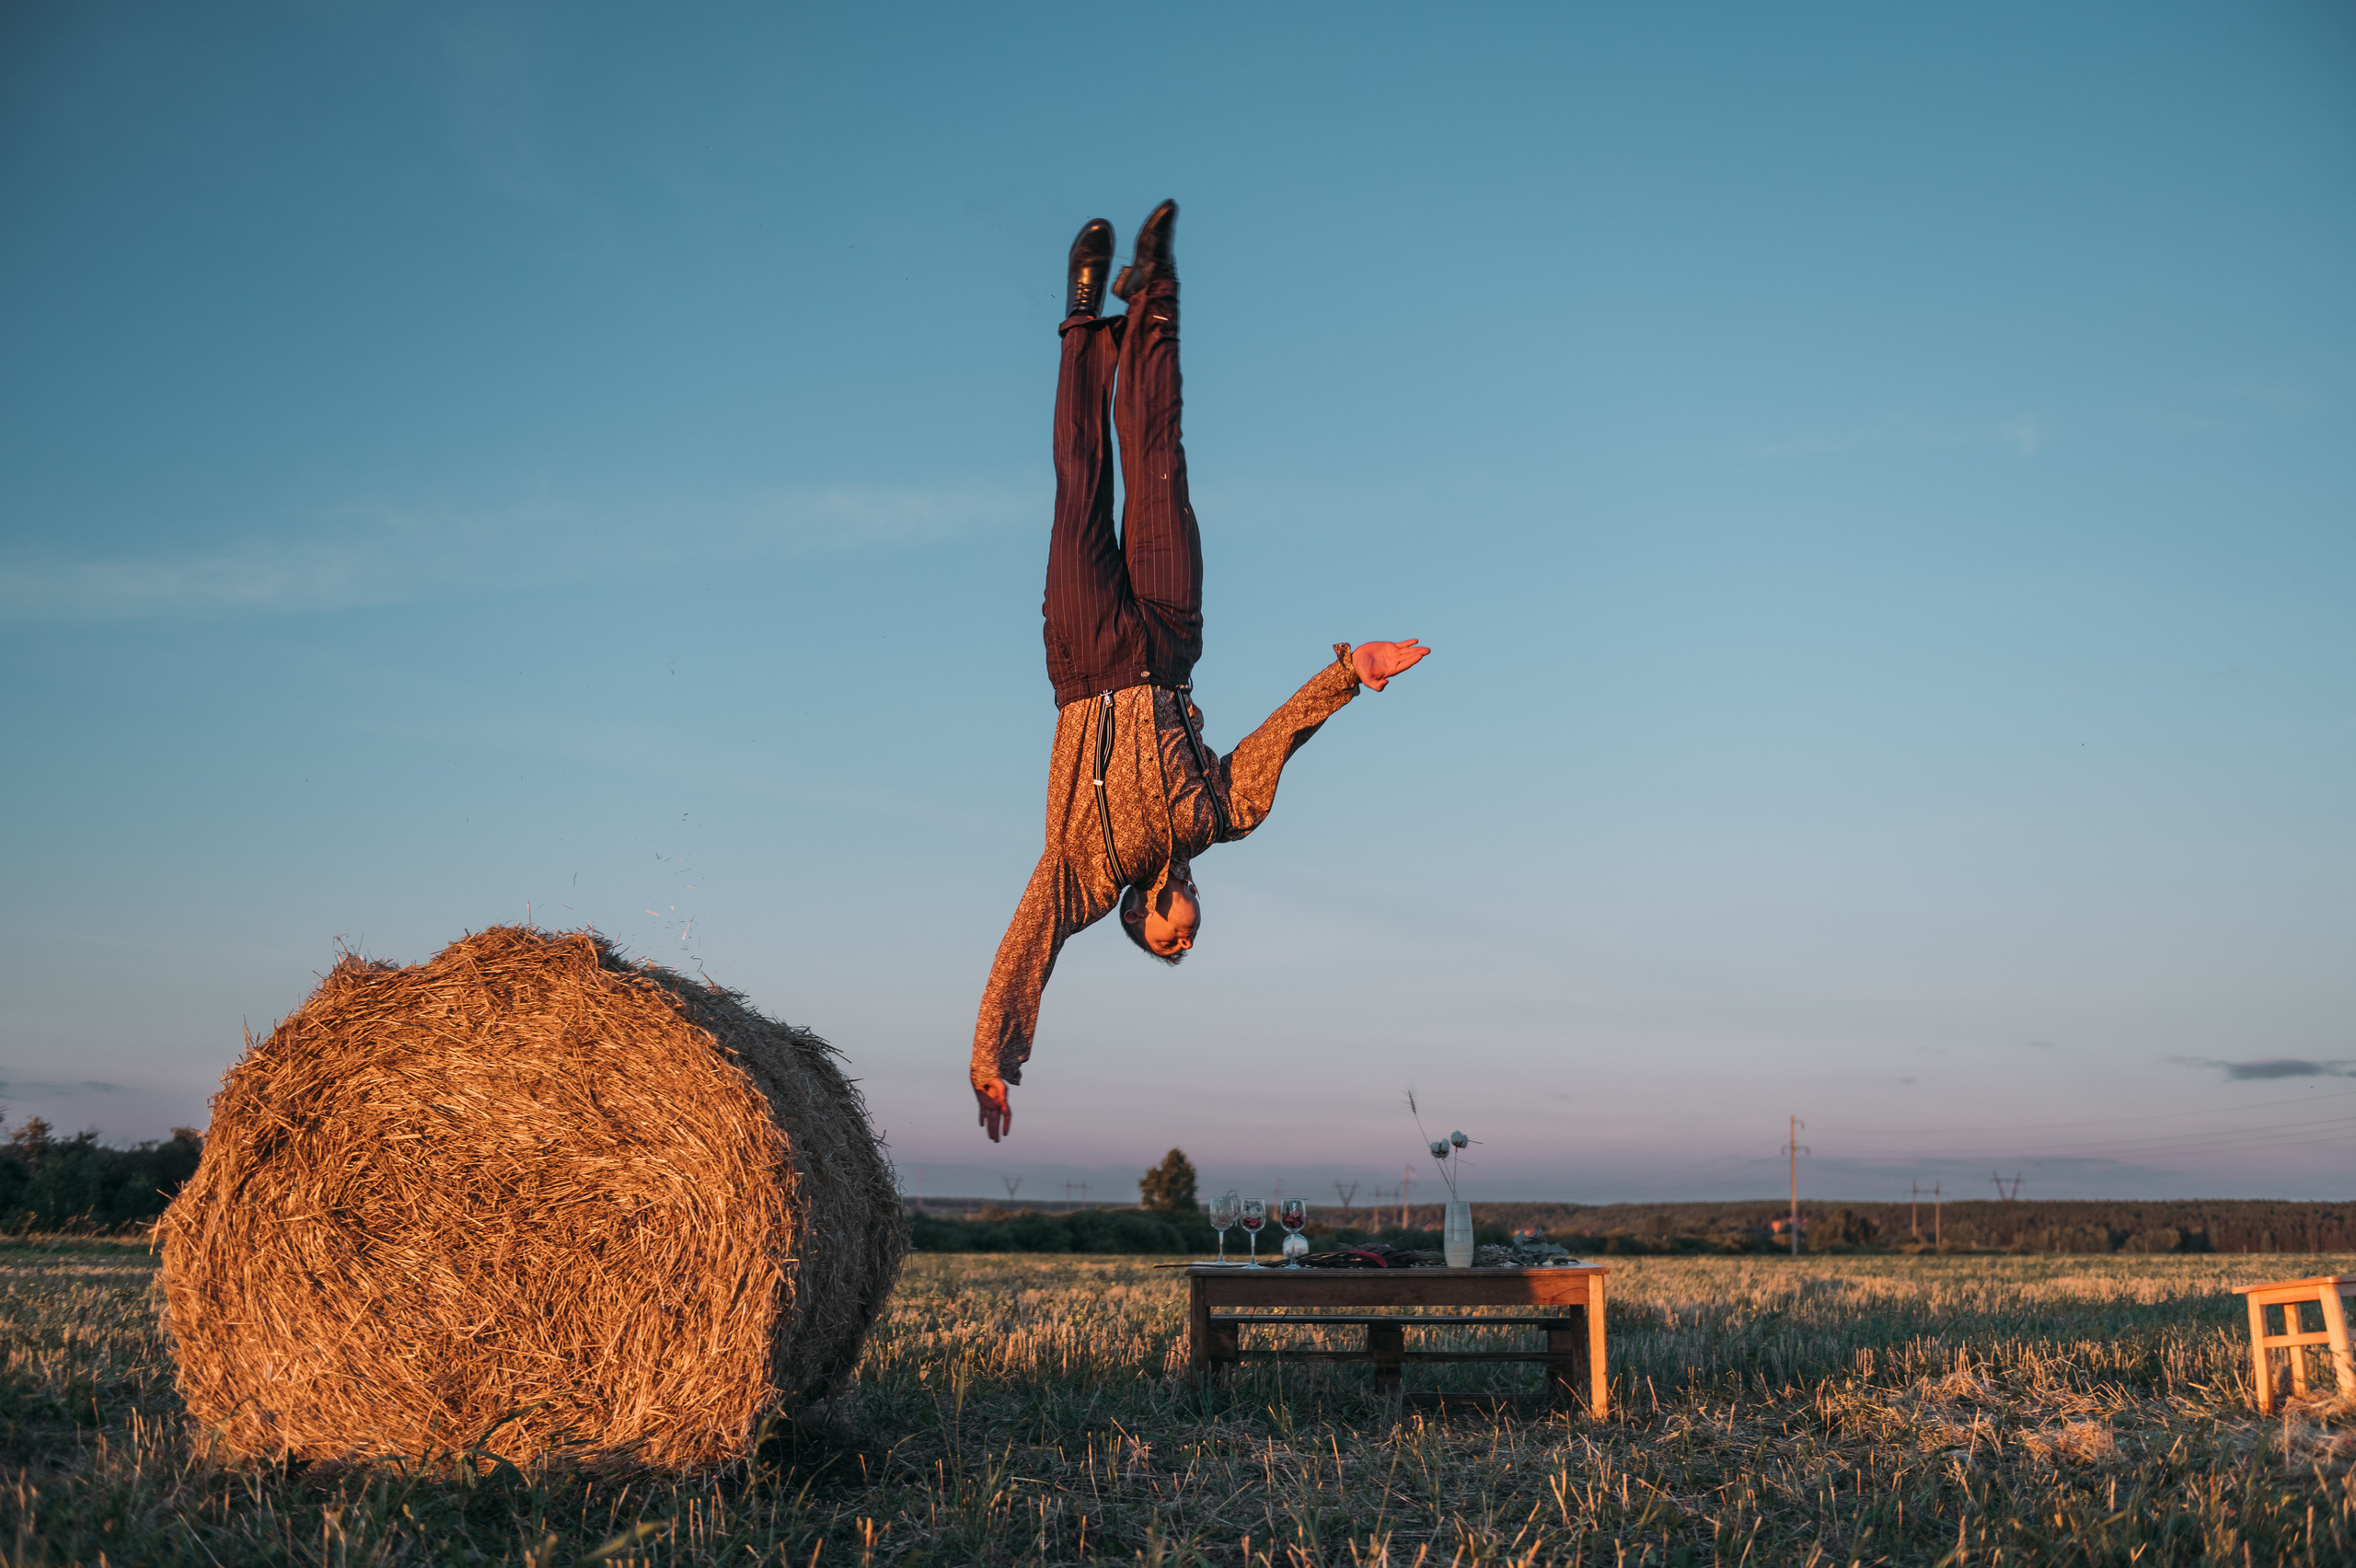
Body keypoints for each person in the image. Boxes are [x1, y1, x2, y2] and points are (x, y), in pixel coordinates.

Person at [971, 201, 1429, 1142]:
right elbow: (1281, 734)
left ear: (1139, 922)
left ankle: (1082, 313)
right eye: (1192, 932)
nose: (1186, 929)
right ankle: (1154, 292)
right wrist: (1354, 672)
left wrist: (995, 1057)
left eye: (1170, 940)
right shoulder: (1223, 816)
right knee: (1161, 458)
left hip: (1088, 660)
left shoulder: (1084, 874)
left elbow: (1027, 949)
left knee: (1081, 481)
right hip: (1170, 641)